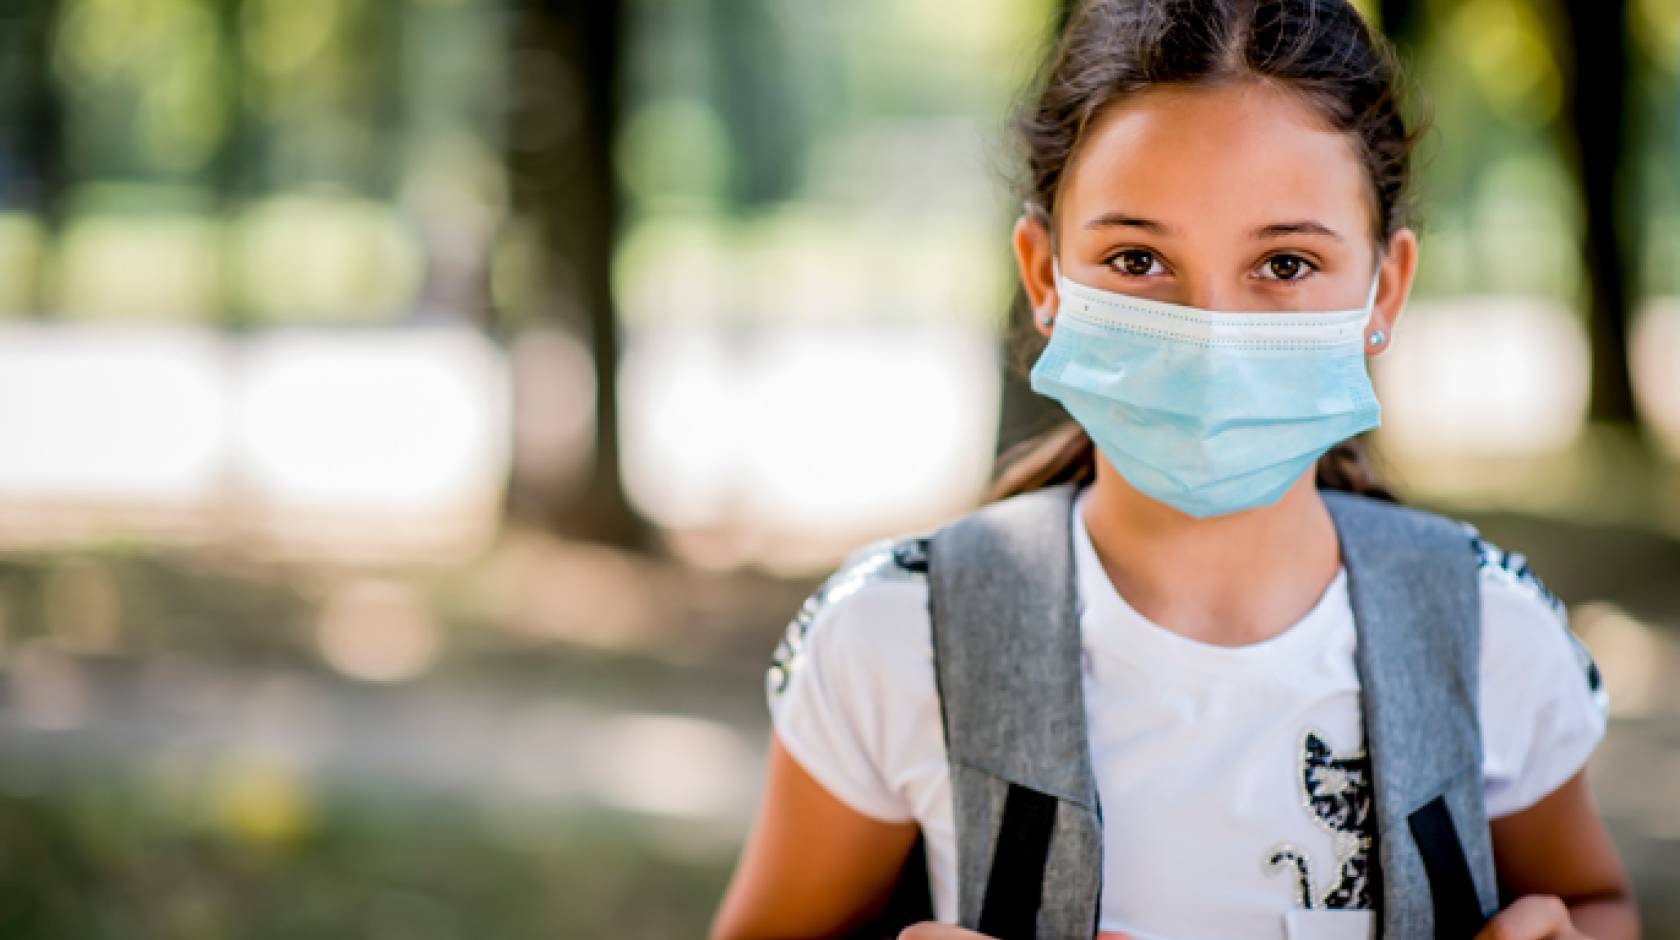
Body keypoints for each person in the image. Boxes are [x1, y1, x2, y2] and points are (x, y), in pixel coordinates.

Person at [709, 0, 1638, 937]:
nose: (1212, 336)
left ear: (1383, 289)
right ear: (1045, 279)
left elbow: (1595, 902)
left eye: (1283, 264)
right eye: (1138, 257)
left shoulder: (1486, 635)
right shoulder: (898, 643)